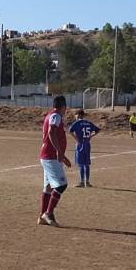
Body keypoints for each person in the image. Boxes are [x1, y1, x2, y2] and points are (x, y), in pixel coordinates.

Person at [38, 95, 72, 227]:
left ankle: (42, 216)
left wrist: (63, 157)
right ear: (63, 107)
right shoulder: (56, 116)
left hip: (48, 156)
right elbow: (51, 132)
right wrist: (59, 151)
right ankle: (48, 213)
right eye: (65, 108)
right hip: (50, 156)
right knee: (61, 185)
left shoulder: (50, 115)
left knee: (47, 187)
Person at [68, 109, 100, 188]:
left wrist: (77, 139)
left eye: (75, 115)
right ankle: (88, 182)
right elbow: (98, 130)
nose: (75, 117)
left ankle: (82, 182)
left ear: (78, 115)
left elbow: (70, 131)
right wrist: (91, 136)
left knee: (81, 164)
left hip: (80, 144)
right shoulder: (89, 123)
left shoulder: (77, 123)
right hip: (87, 144)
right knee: (87, 164)